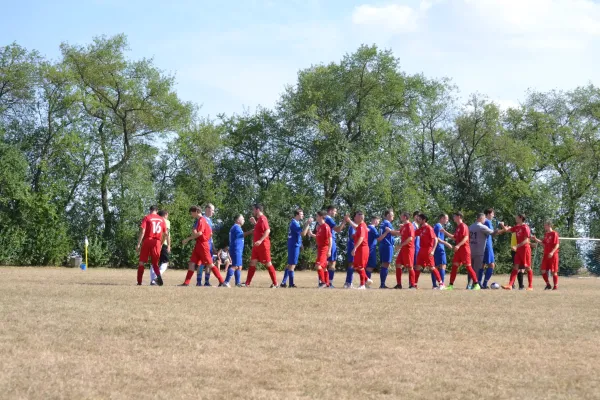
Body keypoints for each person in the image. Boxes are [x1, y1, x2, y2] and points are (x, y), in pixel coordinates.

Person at [180, 206, 226, 287]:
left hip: (203, 245)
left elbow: (200, 233)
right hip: (199, 244)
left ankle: (222, 282)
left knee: (210, 264)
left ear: (196, 211)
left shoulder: (202, 220)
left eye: (192, 213)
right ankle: (186, 283)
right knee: (192, 263)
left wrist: (188, 239)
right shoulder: (201, 220)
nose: (191, 215)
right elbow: (210, 233)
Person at [443, 212, 480, 290]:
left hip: (464, 250)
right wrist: (445, 232)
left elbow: (466, 238)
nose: (453, 217)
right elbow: (454, 238)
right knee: (454, 267)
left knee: (468, 267)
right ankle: (451, 285)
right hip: (458, 250)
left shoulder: (464, 226)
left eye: (454, 216)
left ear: (459, 217)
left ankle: (477, 284)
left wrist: (458, 245)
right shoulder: (458, 227)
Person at [243, 204, 278, 288]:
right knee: (252, 262)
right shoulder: (259, 220)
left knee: (268, 264)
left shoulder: (263, 218)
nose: (253, 211)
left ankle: (275, 284)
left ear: (258, 210)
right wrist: (254, 223)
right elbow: (259, 230)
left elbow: (267, 230)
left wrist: (260, 240)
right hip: (257, 246)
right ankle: (247, 283)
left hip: (263, 246)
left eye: (253, 209)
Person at [499, 214, 533, 290]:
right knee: (515, 266)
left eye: (517, 217)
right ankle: (510, 285)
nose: (515, 218)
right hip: (518, 250)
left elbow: (526, 240)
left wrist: (516, 246)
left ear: (521, 218)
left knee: (528, 267)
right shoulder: (517, 227)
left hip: (525, 250)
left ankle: (530, 286)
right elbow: (507, 230)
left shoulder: (525, 227)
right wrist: (503, 226)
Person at [281, 209, 313, 288]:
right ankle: (291, 284)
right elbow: (303, 233)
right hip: (294, 245)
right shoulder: (294, 223)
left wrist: (301, 244)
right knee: (292, 264)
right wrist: (308, 223)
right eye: (301, 214)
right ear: (297, 215)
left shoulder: (296, 222)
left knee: (290, 264)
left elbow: (297, 235)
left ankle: (283, 282)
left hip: (295, 244)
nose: (303, 215)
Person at [136, 205, 167, 286]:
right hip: (157, 242)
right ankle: (159, 278)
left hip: (147, 240)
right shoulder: (162, 219)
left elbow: (143, 231)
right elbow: (165, 234)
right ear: (157, 211)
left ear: (150, 210)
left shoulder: (147, 217)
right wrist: (161, 243)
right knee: (155, 263)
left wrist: (138, 244)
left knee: (142, 262)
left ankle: (139, 282)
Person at [467, 213, 499, 289]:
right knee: (477, 269)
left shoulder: (470, 227)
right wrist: (498, 229)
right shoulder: (482, 227)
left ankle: (468, 285)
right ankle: (475, 284)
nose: (485, 220)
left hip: (471, 250)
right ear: (481, 218)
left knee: (470, 269)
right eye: (484, 219)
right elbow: (493, 233)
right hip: (479, 251)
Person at [414, 213, 445, 289]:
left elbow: (435, 239)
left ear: (424, 220)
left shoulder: (429, 228)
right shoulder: (421, 228)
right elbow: (412, 233)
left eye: (420, 219)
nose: (418, 220)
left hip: (428, 249)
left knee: (432, 267)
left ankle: (441, 284)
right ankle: (414, 285)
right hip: (421, 250)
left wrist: (433, 250)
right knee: (417, 267)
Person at [223, 215, 253, 287]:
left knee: (239, 266)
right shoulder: (236, 227)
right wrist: (251, 231)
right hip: (236, 249)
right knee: (235, 266)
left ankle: (237, 283)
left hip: (237, 249)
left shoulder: (237, 227)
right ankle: (226, 282)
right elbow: (241, 235)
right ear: (238, 220)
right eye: (242, 219)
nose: (244, 220)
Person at [344, 211, 372, 289]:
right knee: (356, 266)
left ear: (360, 217)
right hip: (360, 249)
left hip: (362, 248)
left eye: (356, 216)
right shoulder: (360, 226)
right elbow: (355, 227)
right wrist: (349, 220)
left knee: (360, 267)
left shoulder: (362, 226)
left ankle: (362, 284)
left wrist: (355, 248)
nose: (355, 218)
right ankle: (367, 279)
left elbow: (361, 238)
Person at [532, 220, 560, 290]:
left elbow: (557, 245)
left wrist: (552, 252)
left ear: (549, 225)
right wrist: (536, 239)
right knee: (543, 270)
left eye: (545, 225)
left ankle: (555, 286)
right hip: (546, 255)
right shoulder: (546, 234)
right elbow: (543, 244)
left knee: (554, 272)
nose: (544, 226)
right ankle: (548, 284)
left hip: (553, 255)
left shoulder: (554, 234)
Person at [324, 206, 348, 287]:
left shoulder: (324, 219)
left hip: (326, 242)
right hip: (330, 241)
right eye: (335, 211)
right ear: (330, 211)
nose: (336, 213)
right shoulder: (329, 219)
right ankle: (329, 283)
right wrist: (344, 221)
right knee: (332, 262)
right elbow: (338, 229)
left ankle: (324, 282)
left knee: (326, 262)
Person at [393, 212, 416, 289]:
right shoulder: (404, 226)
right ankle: (399, 284)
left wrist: (400, 246)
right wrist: (390, 231)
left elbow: (410, 238)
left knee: (410, 267)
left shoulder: (410, 226)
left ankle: (412, 285)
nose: (400, 217)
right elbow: (400, 233)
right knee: (398, 264)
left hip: (409, 249)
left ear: (405, 217)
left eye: (401, 216)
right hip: (403, 249)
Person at [197, 204, 216, 287]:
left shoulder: (210, 221)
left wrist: (213, 246)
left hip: (209, 245)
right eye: (212, 210)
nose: (213, 212)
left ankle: (207, 282)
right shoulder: (202, 219)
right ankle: (198, 282)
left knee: (209, 263)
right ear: (207, 209)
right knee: (201, 263)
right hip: (203, 244)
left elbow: (210, 235)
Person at [377, 209, 397, 289]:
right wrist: (403, 231)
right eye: (392, 215)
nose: (393, 216)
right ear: (388, 215)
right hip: (387, 245)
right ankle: (382, 284)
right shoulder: (386, 223)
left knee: (384, 264)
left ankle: (382, 284)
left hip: (384, 245)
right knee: (385, 264)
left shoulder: (384, 223)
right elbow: (392, 233)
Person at [150, 209, 170, 286]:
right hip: (162, 243)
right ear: (165, 215)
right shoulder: (165, 221)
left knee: (154, 262)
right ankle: (156, 277)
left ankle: (152, 280)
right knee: (165, 262)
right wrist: (168, 244)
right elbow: (166, 234)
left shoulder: (154, 220)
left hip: (153, 242)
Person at [432, 214, 452, 288]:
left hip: (437, 248)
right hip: (439, 248)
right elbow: (437, 238)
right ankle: (442, 284)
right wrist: (446, 243)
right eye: (446, 218)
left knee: (435, 266)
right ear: (442, 218)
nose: (447, 220)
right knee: (443, 265)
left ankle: (435, 285)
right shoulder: (438, 226)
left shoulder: (438, 226)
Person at [314, 211, 333, 288]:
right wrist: (312, 235)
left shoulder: (326, 226)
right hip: (320, 248)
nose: (316, 217)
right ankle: (327, 283)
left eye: (317, 216)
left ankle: (323, 282)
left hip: (324, 248)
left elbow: (330, 239)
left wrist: (329, 250)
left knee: (318, 266)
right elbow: (319, 237)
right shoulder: (319, 227)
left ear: (321, 217)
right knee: (324, 267)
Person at [481, 208, 497, 289]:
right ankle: (484, 283)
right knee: (491, 265)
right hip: (487, 246)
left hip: (482, 245)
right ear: (488, 214)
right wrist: (504, 229)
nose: (493, 215)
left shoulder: (483, 221)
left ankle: (478, 283)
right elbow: (493, 233)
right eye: (492, 214)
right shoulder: (487, 221)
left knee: (482, 265)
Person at [365, 216, 381, 285]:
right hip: (371, 249)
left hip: (367, 248)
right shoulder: (373, 228)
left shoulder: (368, 227)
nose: (379, 222)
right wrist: (386, 232)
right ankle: (366, 282)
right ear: (375, 220)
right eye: (378, 221)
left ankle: (364, 282)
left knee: (367, 266)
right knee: (370, 266)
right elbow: (379, 238)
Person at [342, 222, 357, 289]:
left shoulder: (355, 226)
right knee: (351, 264)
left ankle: (348, 282)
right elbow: (352, 236)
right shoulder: (352, 226)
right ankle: (348, 283)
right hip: (352, 246)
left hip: (353, 246)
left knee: (352, 264)